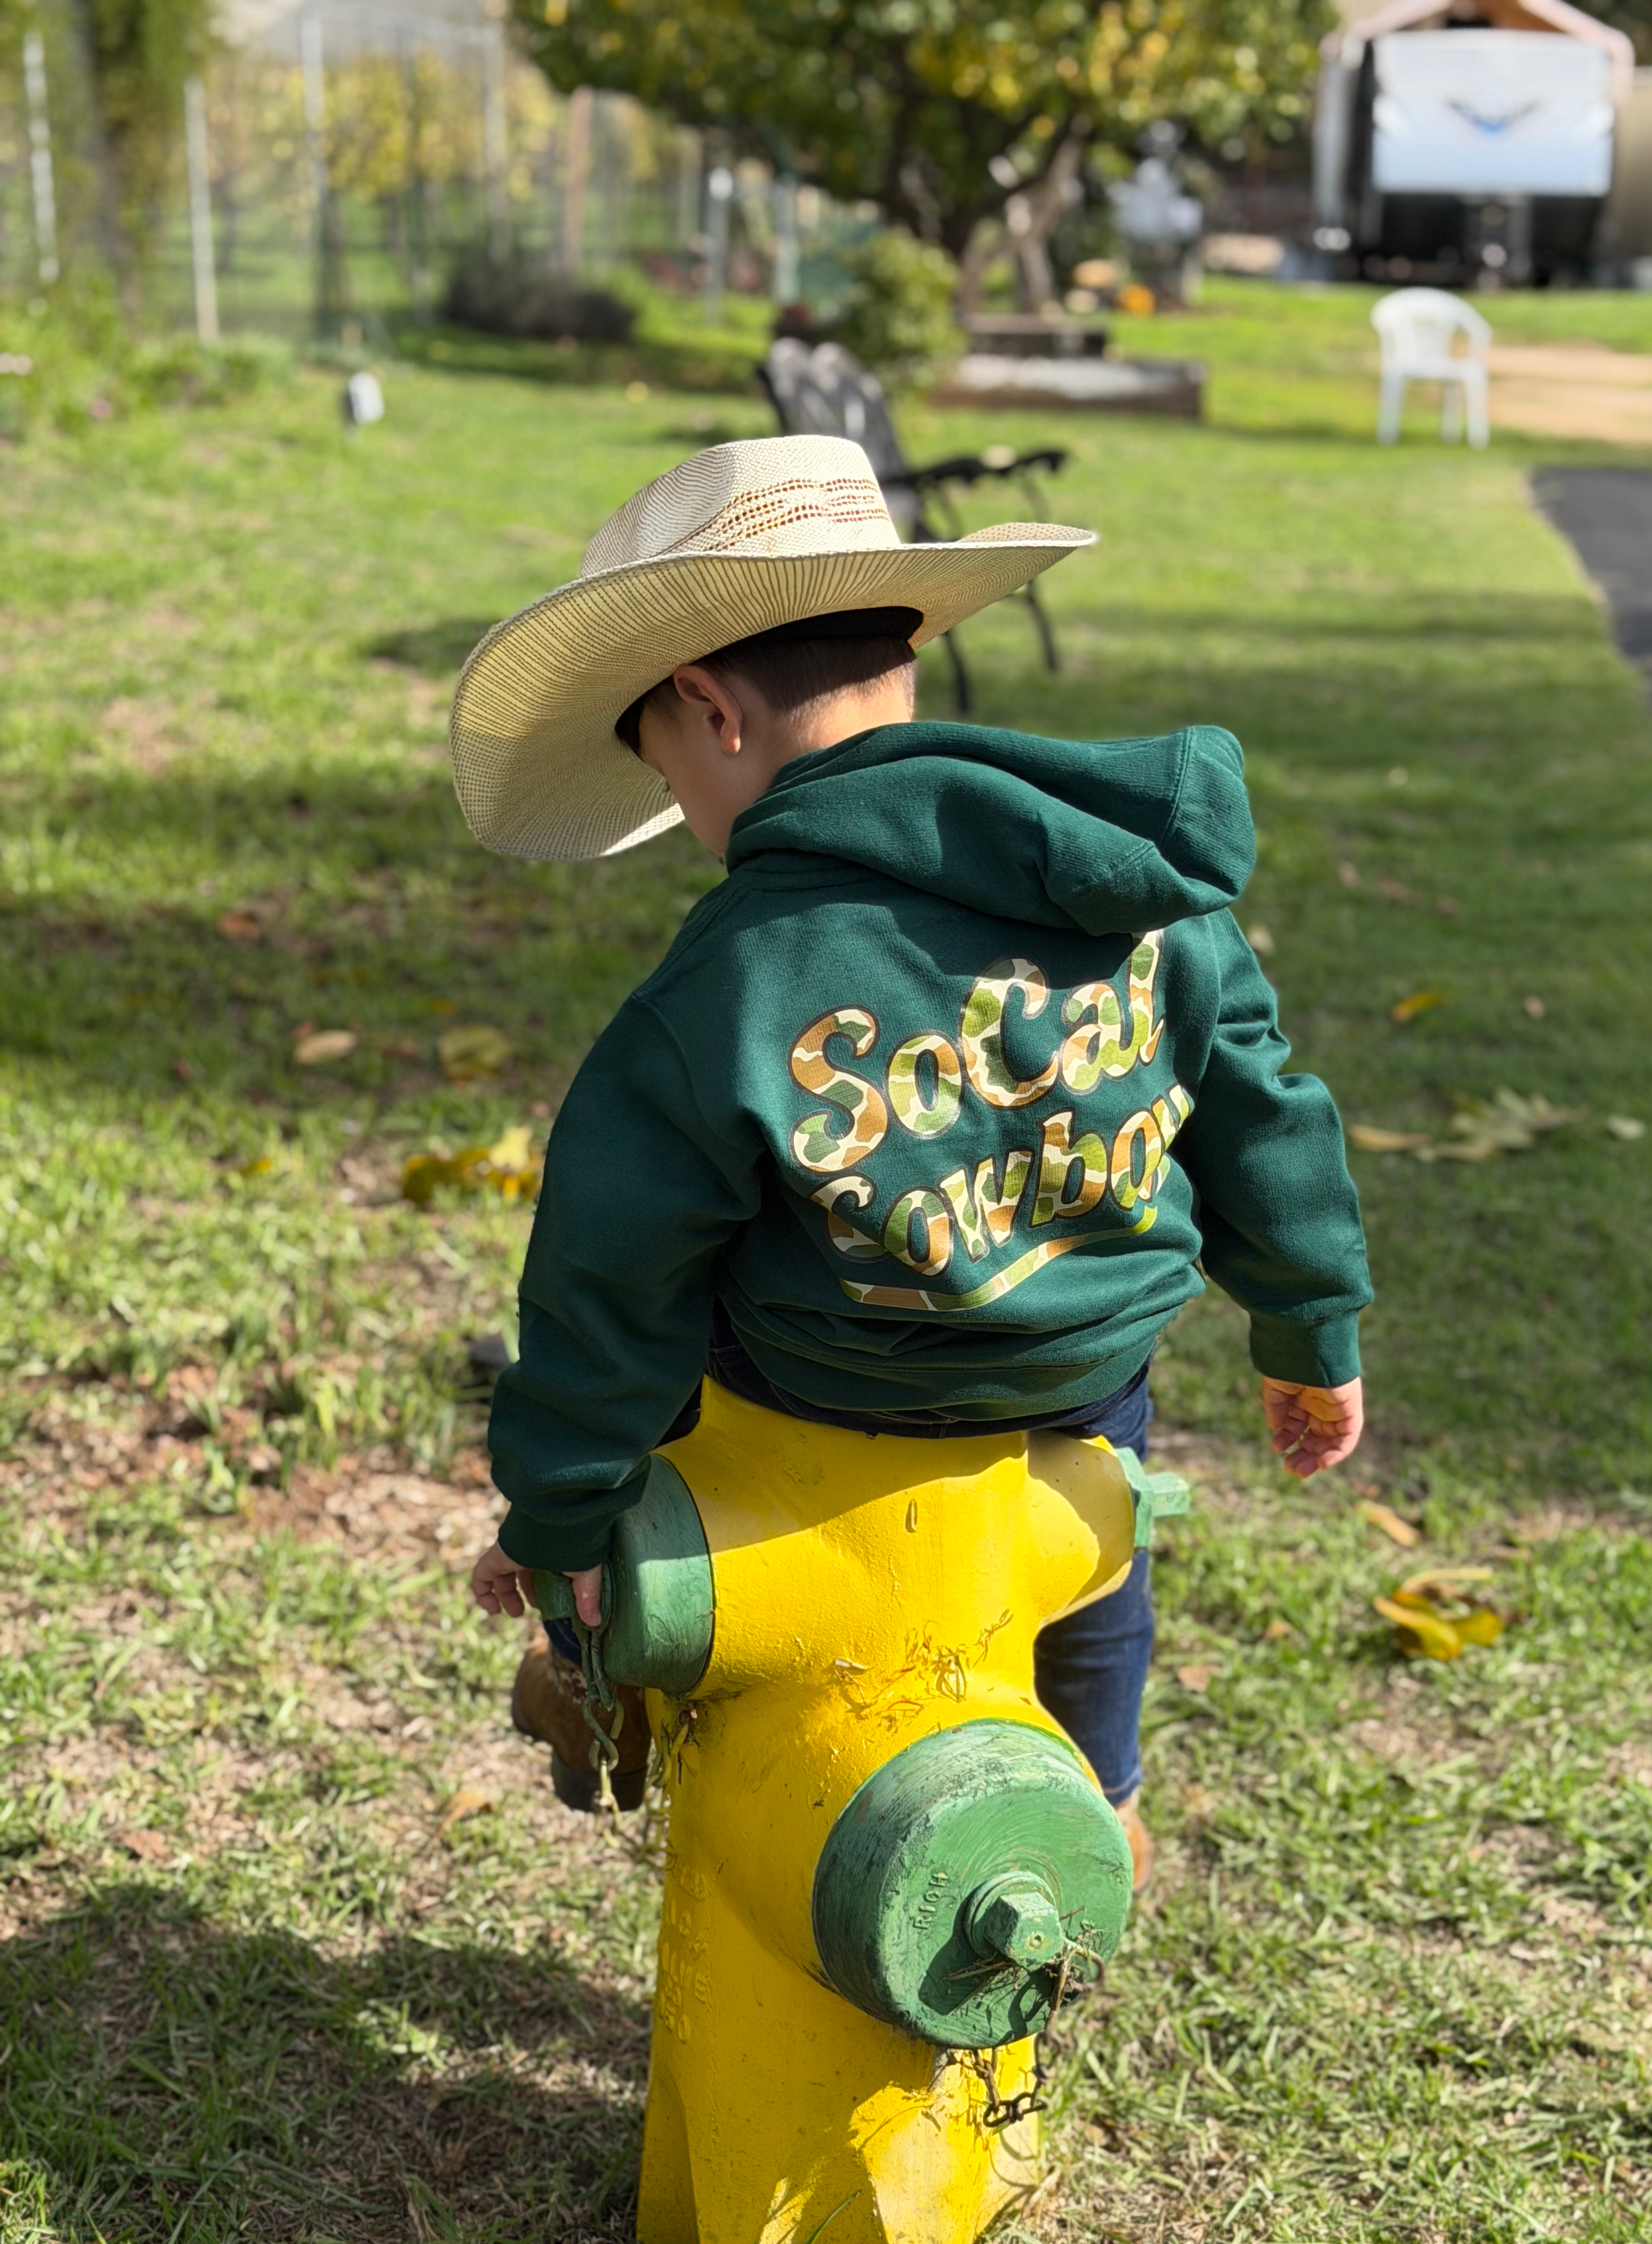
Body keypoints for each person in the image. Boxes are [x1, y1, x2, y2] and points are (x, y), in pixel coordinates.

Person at [453, 436, 1370, 1885]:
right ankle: (1105, 1781)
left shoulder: (732, 980)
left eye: (668, 769)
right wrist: (1311, 1329)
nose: (688, 819)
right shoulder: (1131, 884)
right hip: (1084, 1383)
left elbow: (607, 1273)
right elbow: (1264, 1110)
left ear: (710, 712)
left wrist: (559, 1505)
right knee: (1099, 1551)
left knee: (686, 1364)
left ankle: (596, 1658)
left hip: (823, 1404)